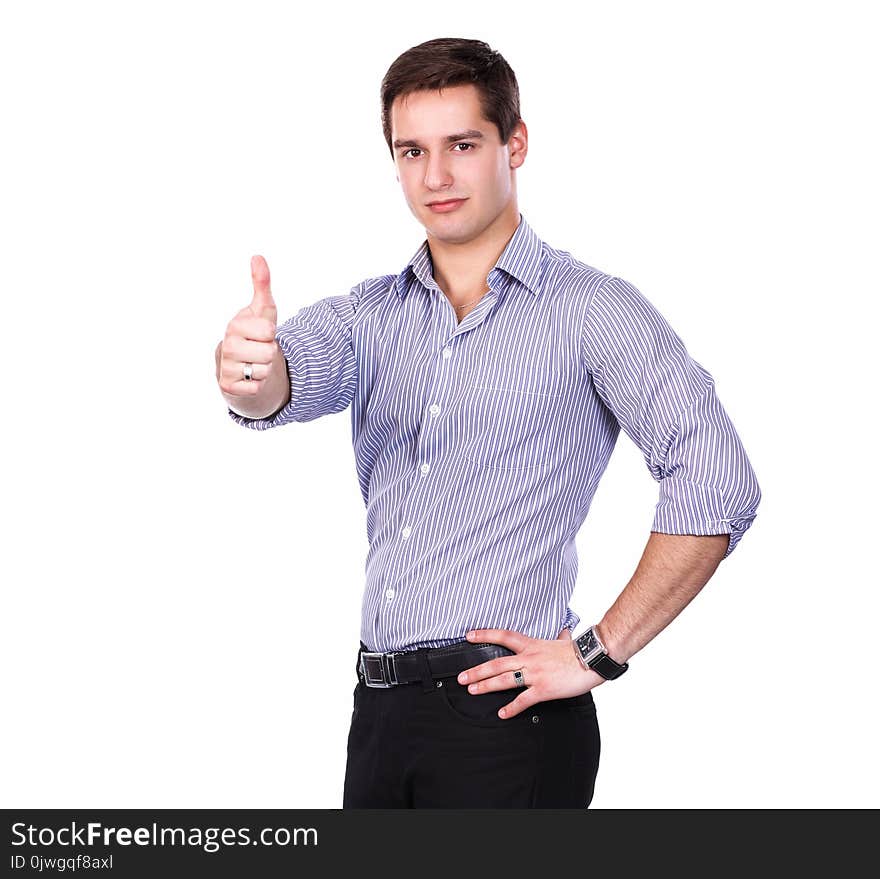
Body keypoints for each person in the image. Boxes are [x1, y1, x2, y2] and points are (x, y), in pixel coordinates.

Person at [214, 37, 761, 808]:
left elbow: (719, 482)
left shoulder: (592, 311)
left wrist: (599, 651)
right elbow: (276, 383)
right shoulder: (368, 316)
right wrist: (247, 369)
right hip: (378, 713)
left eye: (461, 145)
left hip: (506, 721)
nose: (434, 176)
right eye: (411, 151)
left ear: (515, 143)